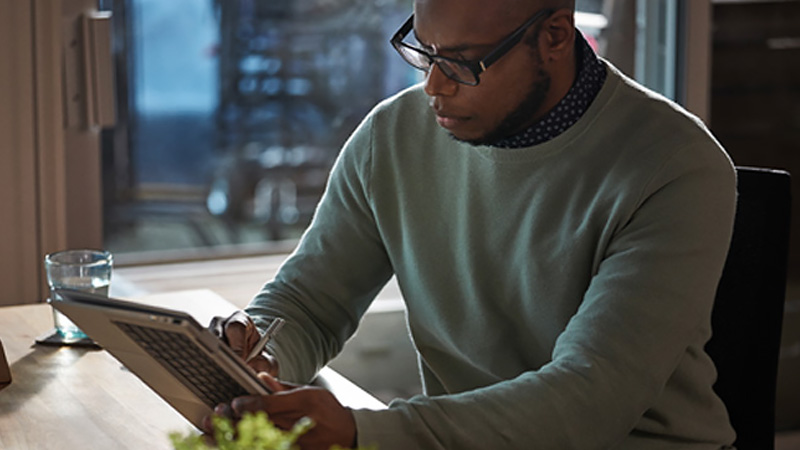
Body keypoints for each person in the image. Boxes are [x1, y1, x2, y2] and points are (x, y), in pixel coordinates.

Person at [208, 0, 738, 448]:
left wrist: (360, 433)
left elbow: (590, 398)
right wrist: (259, 356)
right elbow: (308, 305)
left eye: (462, 62)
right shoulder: (391, 137)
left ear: (553, 36)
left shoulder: (675, 166)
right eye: (425, 50)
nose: (434, 85)